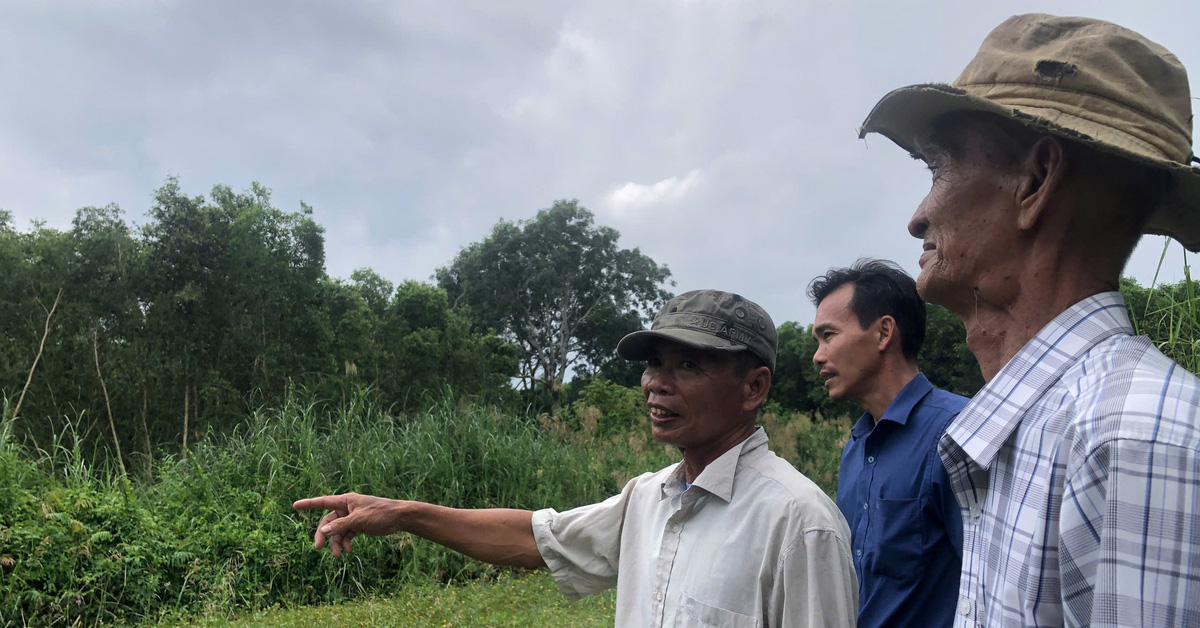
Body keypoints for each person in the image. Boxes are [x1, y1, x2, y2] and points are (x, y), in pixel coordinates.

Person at [858, 13, 1200, 628]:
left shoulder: (1131, 440)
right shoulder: (1054, 426)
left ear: (1036, 181)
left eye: (939, 169)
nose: (917, 216)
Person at [295, 289, 858, 627]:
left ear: (754, 388)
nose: (656, 386)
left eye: (688, 367)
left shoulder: (799, 524)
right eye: (654, 364)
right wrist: (401, 513)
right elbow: (538, 539)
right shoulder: (650, 498)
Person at [808, 259, 966, 627]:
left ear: (883, 333)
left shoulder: (957, 434)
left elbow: (993, 580)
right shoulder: (856, 447)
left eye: (828, 335)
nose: (818, 355)